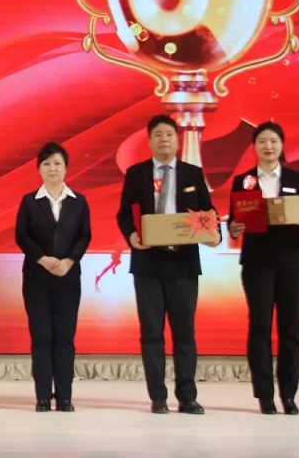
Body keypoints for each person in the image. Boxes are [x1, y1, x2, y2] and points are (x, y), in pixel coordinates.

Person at [116, 115, 221, 415]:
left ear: (177, 140)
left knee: (184, 333)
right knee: (151, 333)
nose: (164, 140)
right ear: (150, 141)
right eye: (158, 135)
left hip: (183, 264)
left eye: (169, 135)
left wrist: (213, 234)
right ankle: (158, 396)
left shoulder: (192, 173)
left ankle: (187, 396)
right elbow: (124, 214)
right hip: (148, 265)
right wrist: (131, 236)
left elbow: (208, 212)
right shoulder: (136, 174)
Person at [228, 122, 299, 415]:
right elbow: (233, 222)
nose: (268, 147)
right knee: (259, 326)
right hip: (257, 262)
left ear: (281, 145)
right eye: (262, 142)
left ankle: (289, 394)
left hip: (292, 261)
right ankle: (265, 395)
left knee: (290, 327)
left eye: (273, 141)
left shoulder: (297, 178)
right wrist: (233, 228)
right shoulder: (243, 181)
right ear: (254, 147)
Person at [15, 142, 91, 412]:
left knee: (64, 337)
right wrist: (43, 259)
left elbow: (84, 236)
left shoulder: (78, 201)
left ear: (66, 168)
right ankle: (43, 397)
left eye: (57, 163)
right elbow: (22, 236)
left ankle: (65, 396)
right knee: (42, 336)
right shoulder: (29, 201)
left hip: (68, 277)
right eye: (46, 164)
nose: (52, 168)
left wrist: (69, 261)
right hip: (37, 277)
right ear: (39, 169)